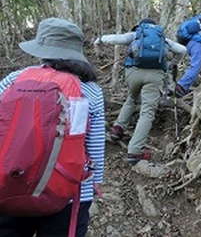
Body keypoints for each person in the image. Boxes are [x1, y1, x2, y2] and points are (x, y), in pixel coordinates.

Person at [0, 18, 105, 237]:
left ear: (42, 50)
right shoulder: (90, 91)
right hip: (68, 191)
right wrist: (96, 181)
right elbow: (94, 146)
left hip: (13, 183)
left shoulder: (14, 79)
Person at [95, 18, 186, 165]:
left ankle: (117, 129)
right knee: (147, 112)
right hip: (155, 76)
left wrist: (100, 39)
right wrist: (172, 64)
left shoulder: (136, 34)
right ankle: (134, 151)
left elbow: (117, 39)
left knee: (131, 99)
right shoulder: (162, 38)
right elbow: (182, 50)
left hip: (133, 74)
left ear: (141, 25)